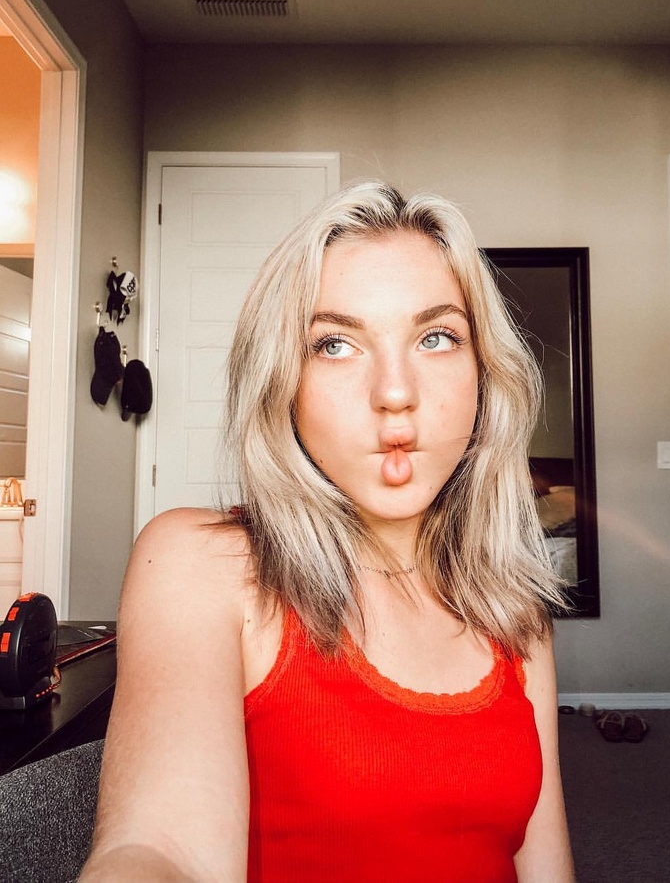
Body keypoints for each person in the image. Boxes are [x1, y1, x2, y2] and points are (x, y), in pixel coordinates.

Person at [80, 182, 575, 883]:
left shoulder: (514, 611)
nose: (395, 392)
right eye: (336, 344)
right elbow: (159, 849)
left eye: (436, 337)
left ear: (484, 374)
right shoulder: (202, 564)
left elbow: (545, 866)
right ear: (283, 381)